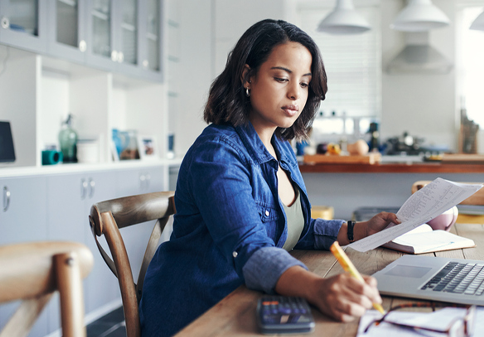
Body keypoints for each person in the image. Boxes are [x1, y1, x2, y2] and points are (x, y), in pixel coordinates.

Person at [139, 19, 399, 336]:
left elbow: (292, 230)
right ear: (247, 76)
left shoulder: (281, 147)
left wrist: (358, 231)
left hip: (248, 300)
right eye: (281, 78)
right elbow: (251, 248)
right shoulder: (218, 155)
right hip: (200, 314)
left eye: (304, 83)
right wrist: (317, 288)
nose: (295, 94)